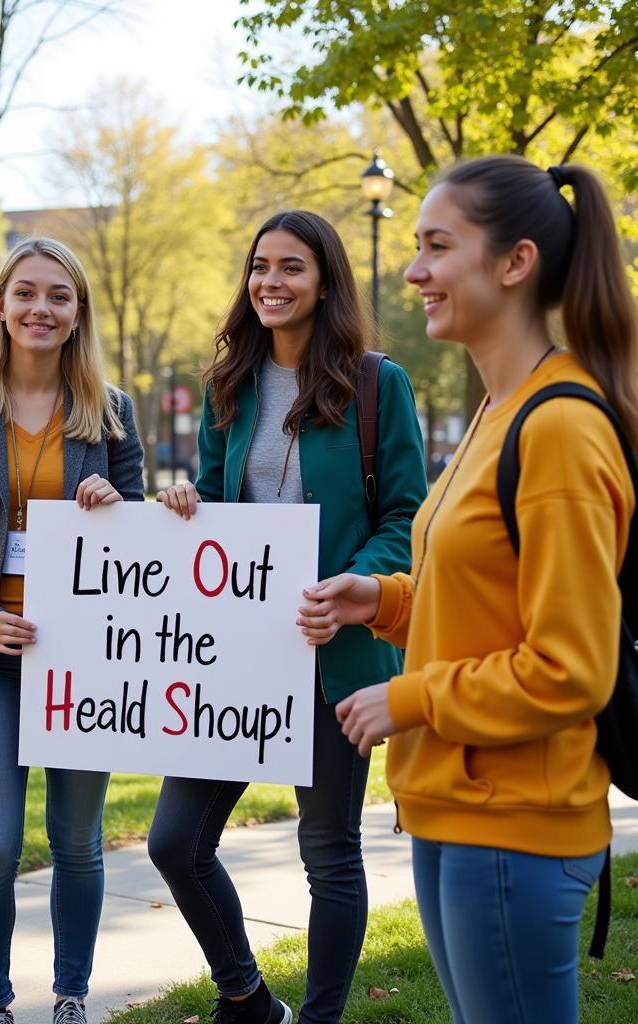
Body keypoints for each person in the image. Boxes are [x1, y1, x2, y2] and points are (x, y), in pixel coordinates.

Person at [305, 156, 638, 1024]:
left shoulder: (560, 425)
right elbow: (487, 594)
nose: (412, 271)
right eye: (415, 246)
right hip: (454, 807)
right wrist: (382, 601)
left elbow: (570, 669)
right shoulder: (499, 409)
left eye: (437, 246)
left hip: (517, 824)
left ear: (514, 262)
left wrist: (408, 697)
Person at [150, 210, 427, 1024]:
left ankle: (320, 1019)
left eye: (292, 268)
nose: (270, 281)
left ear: (324, 280)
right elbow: (211, 500)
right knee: (175, 842)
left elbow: (403, 517)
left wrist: (355, 587)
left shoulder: (378, 383)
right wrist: (184, 502)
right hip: (235, 657)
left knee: (329, 855)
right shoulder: (228, 383)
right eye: (260, 266)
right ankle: (246, 995)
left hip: (333, 656)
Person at [0, 236, 145, 1024]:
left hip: (83, 663)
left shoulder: (109, 412)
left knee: (78, 843)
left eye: (59, 296)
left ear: (78, 312)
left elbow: (140, 545)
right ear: (1, 303)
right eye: (26, 292)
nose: (41, 309)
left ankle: (72, 995)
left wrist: (119, 510)